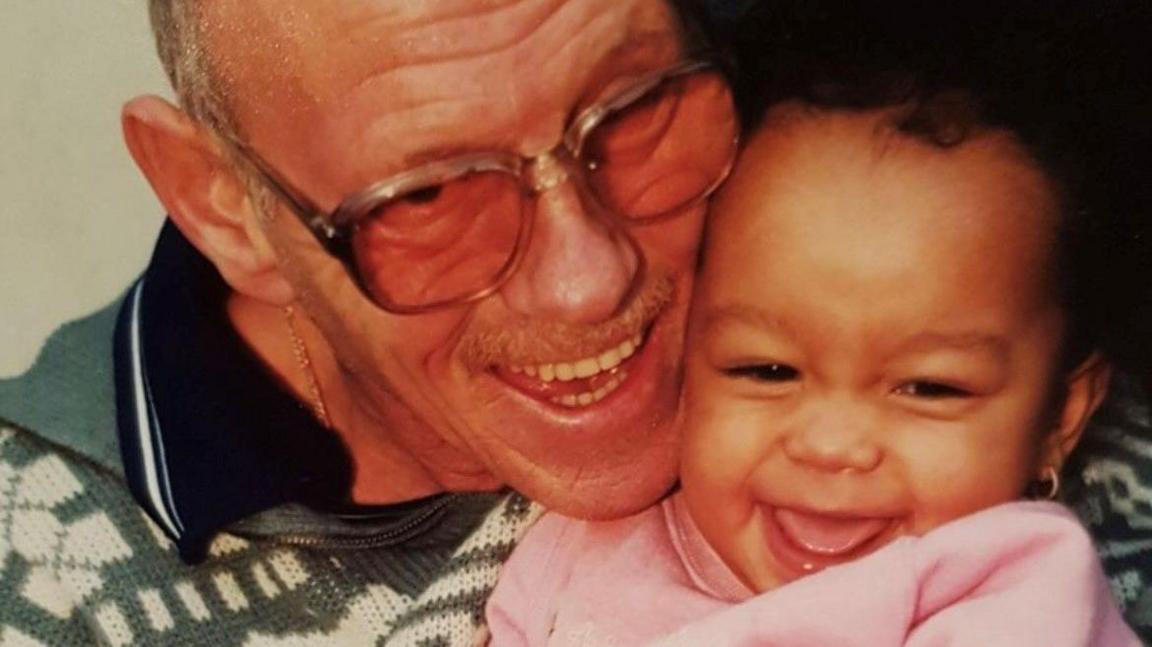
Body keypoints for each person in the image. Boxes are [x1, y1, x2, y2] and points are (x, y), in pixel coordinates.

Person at [0, 0, 740, 644]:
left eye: (633, 109)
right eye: (429, 195)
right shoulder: (37, 570)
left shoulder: (816, 155)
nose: (589, 284)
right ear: (223, 203)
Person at [485, 4, 1152, 645]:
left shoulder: (1014, 600)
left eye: (929, 388)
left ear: (1060, 415)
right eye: (767, 370)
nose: (831, 445)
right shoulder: (584, 543)